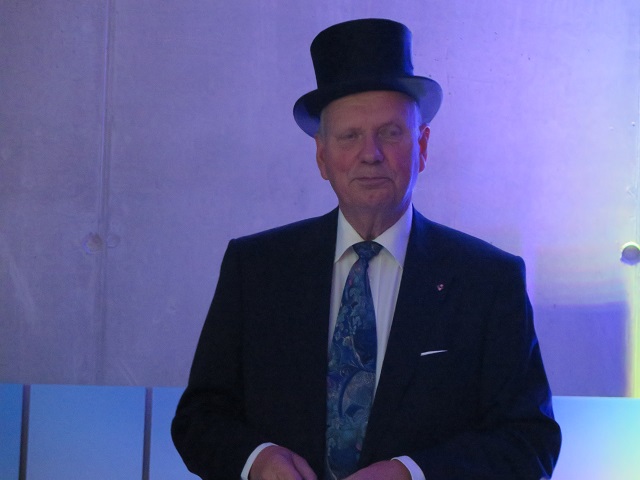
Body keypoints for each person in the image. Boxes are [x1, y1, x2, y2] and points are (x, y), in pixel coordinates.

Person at [171, 18, 561, 480]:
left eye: (391, 133)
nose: (370, 153)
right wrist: (258, 460)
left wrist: (412, 474)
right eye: (350, 135)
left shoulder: (489, 281)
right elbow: (199, 419)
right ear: (322, 156)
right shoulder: (255, 269)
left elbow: (528, 441)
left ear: (422, 147)